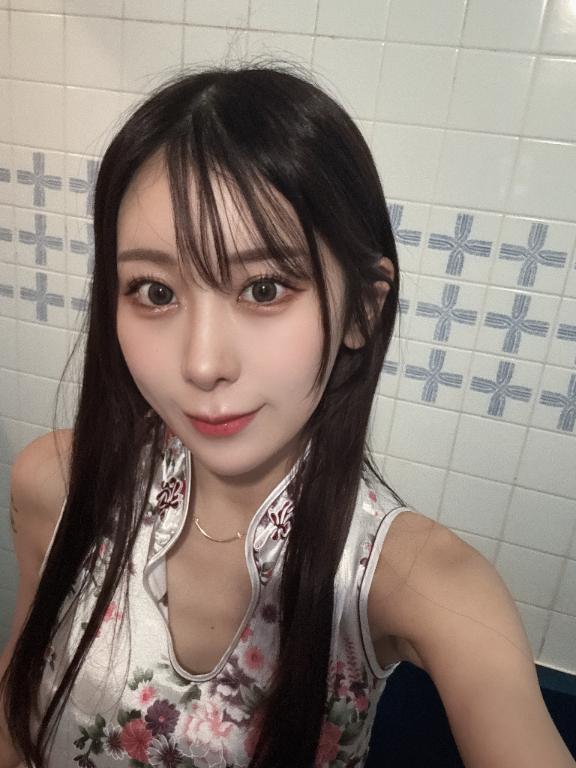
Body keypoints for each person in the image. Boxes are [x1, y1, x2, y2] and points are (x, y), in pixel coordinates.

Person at [0, 62, 574, 768]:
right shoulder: (57, 485)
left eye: (264, 288)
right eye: (155, 291)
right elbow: (18, 708)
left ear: (363, 310)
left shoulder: (412, 584)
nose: (202, 364)